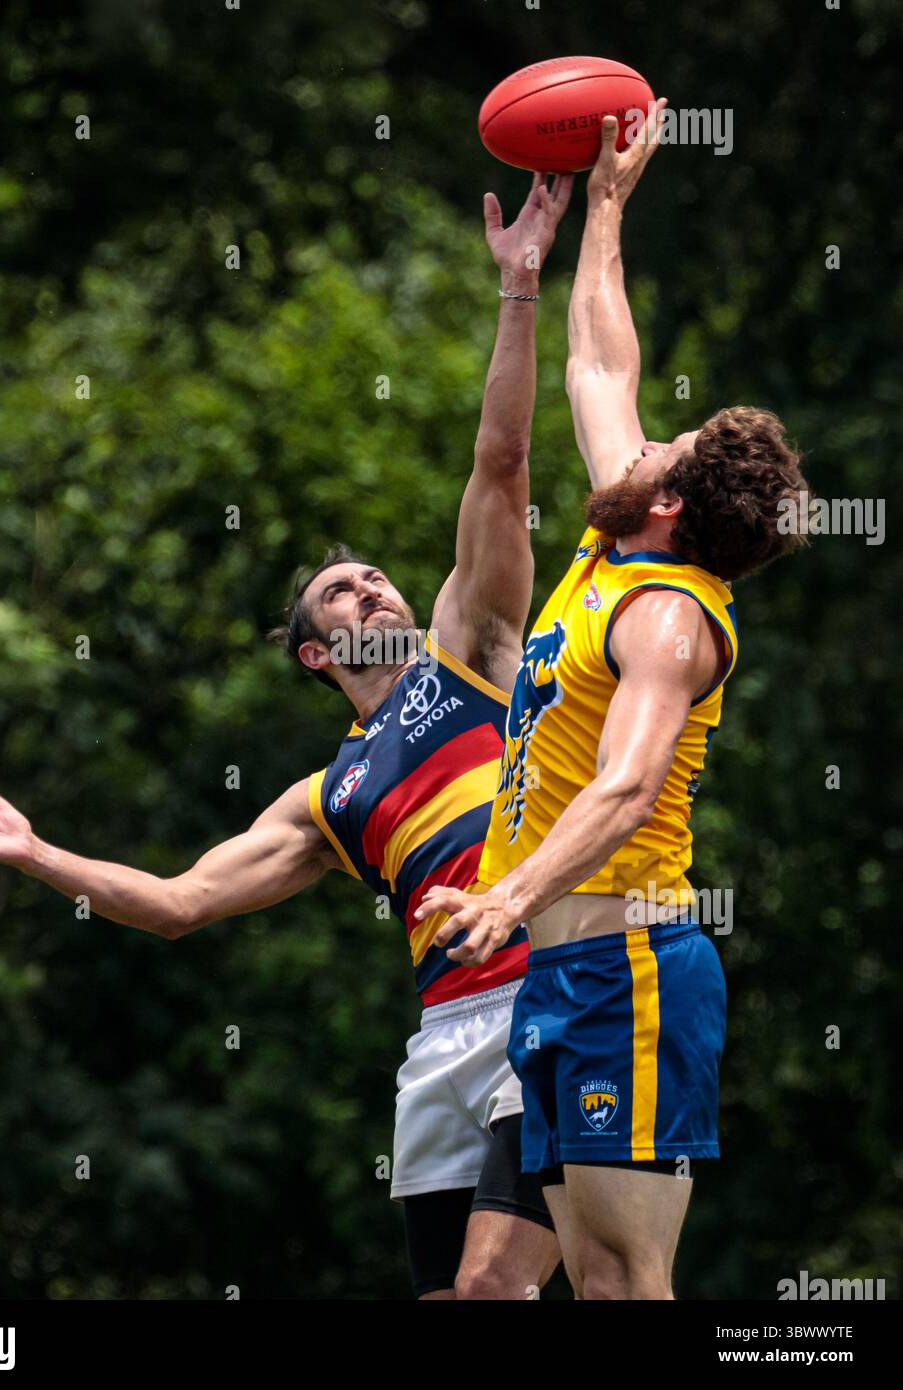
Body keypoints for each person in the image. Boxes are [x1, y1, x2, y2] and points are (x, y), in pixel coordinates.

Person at [0, 173, 573, 1300]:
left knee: (492, 1292)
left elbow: (499, 465)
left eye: (375, 575)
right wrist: (35, 856)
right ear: (317, 655)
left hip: (540, 992)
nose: (372, 586)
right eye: (342, 595)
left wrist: (517, 290)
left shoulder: (471, 648)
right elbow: (176, 904)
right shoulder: (327, 796)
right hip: (440, 1043)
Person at [416, 107, 809, 1300]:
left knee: (631, 1280)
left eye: (662, 445)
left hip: (631, 969)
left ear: (669, 504)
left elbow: (627, 781)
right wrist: (602, 208)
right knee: (583, 1278)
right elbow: (601, 360)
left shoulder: (667, 617)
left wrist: (506, 896)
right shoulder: (616, 554)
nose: (635, 439)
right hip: (561, 971)